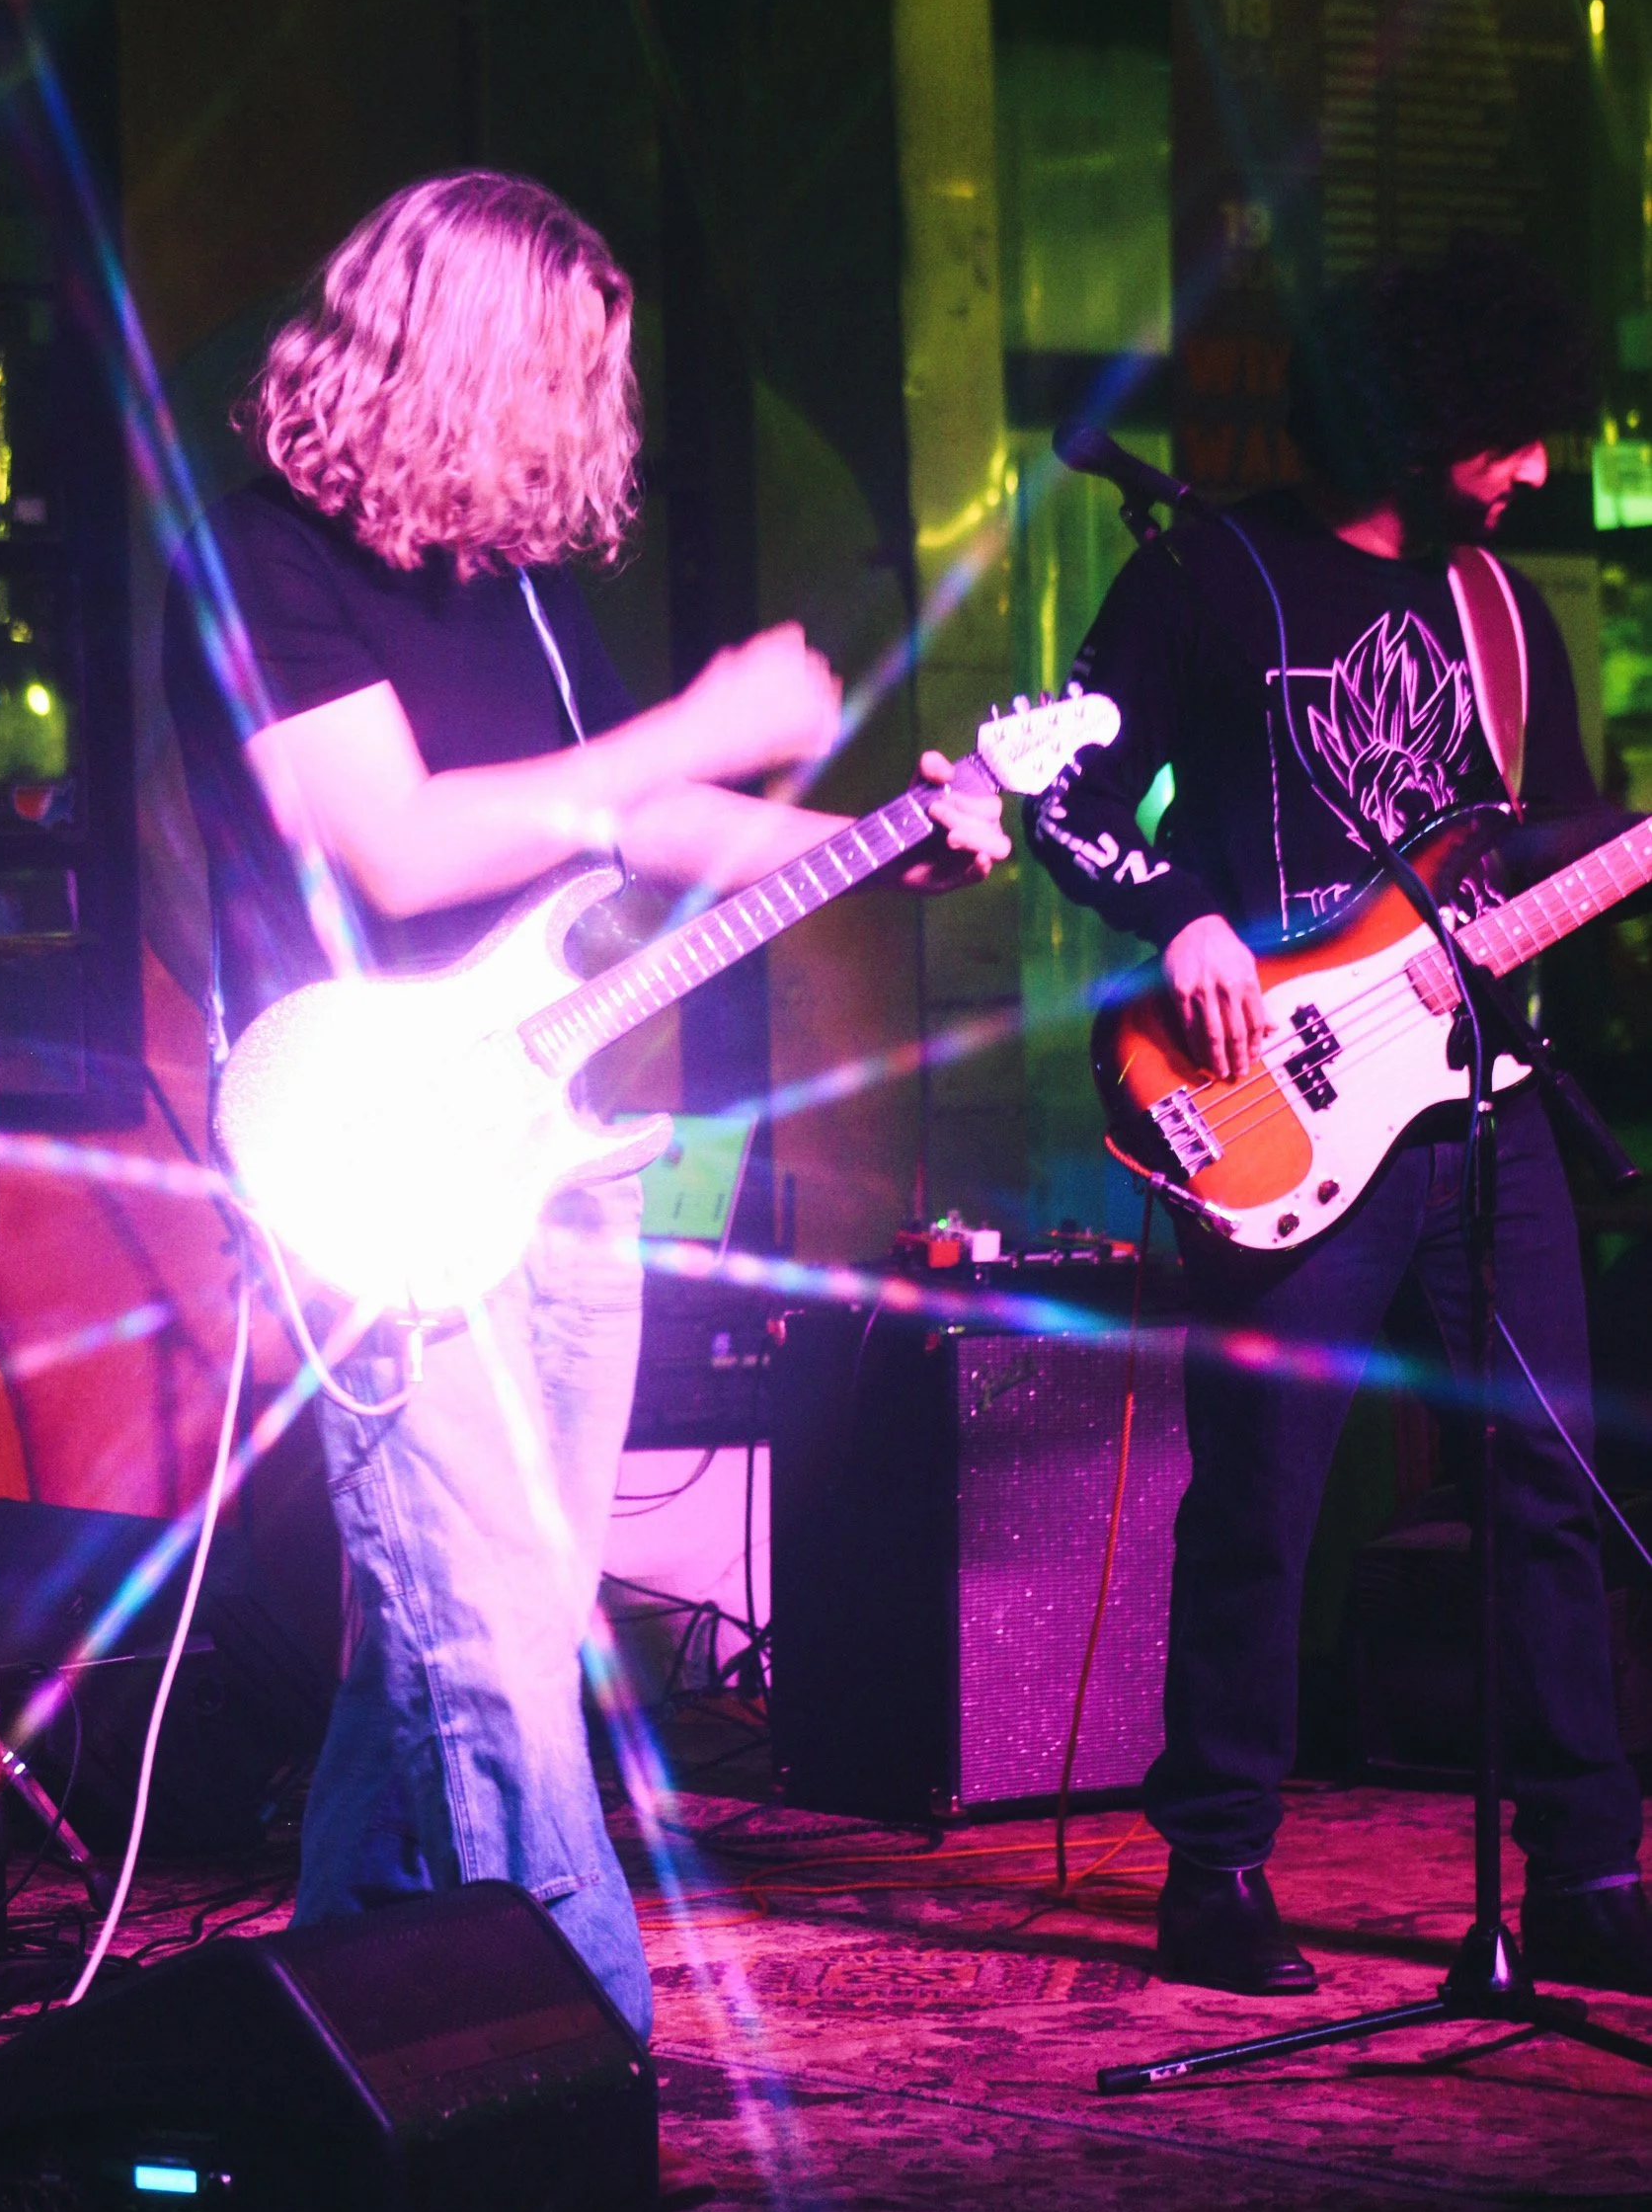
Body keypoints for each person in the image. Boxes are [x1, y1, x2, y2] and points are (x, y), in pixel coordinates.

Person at [162, 172, 1008, 2038]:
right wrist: (683, 731)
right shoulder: (262, 559)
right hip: (365, 1142)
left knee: (486, 1634)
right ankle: (568, 2057)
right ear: (452, 358)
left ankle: (342, 2032)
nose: (590, 416)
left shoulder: (525, 596)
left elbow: (639, 830)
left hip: (545, 1147)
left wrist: (872, 846)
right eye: (565, 370)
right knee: (485, 1642)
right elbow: (386, 846)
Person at [1027, 235, 1651, 1999]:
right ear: (1412, 414)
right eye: (1503, 436)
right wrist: (1182, 916)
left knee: (1544, 1475)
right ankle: (1213, 1864)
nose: (1530, 472)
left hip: (1480, 1101)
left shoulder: (1499, 610)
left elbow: (1543, 850)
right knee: (1262, 1489)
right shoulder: (1204, 579)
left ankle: (1585, 1867)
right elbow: (1057, 801)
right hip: (1271, 1102)